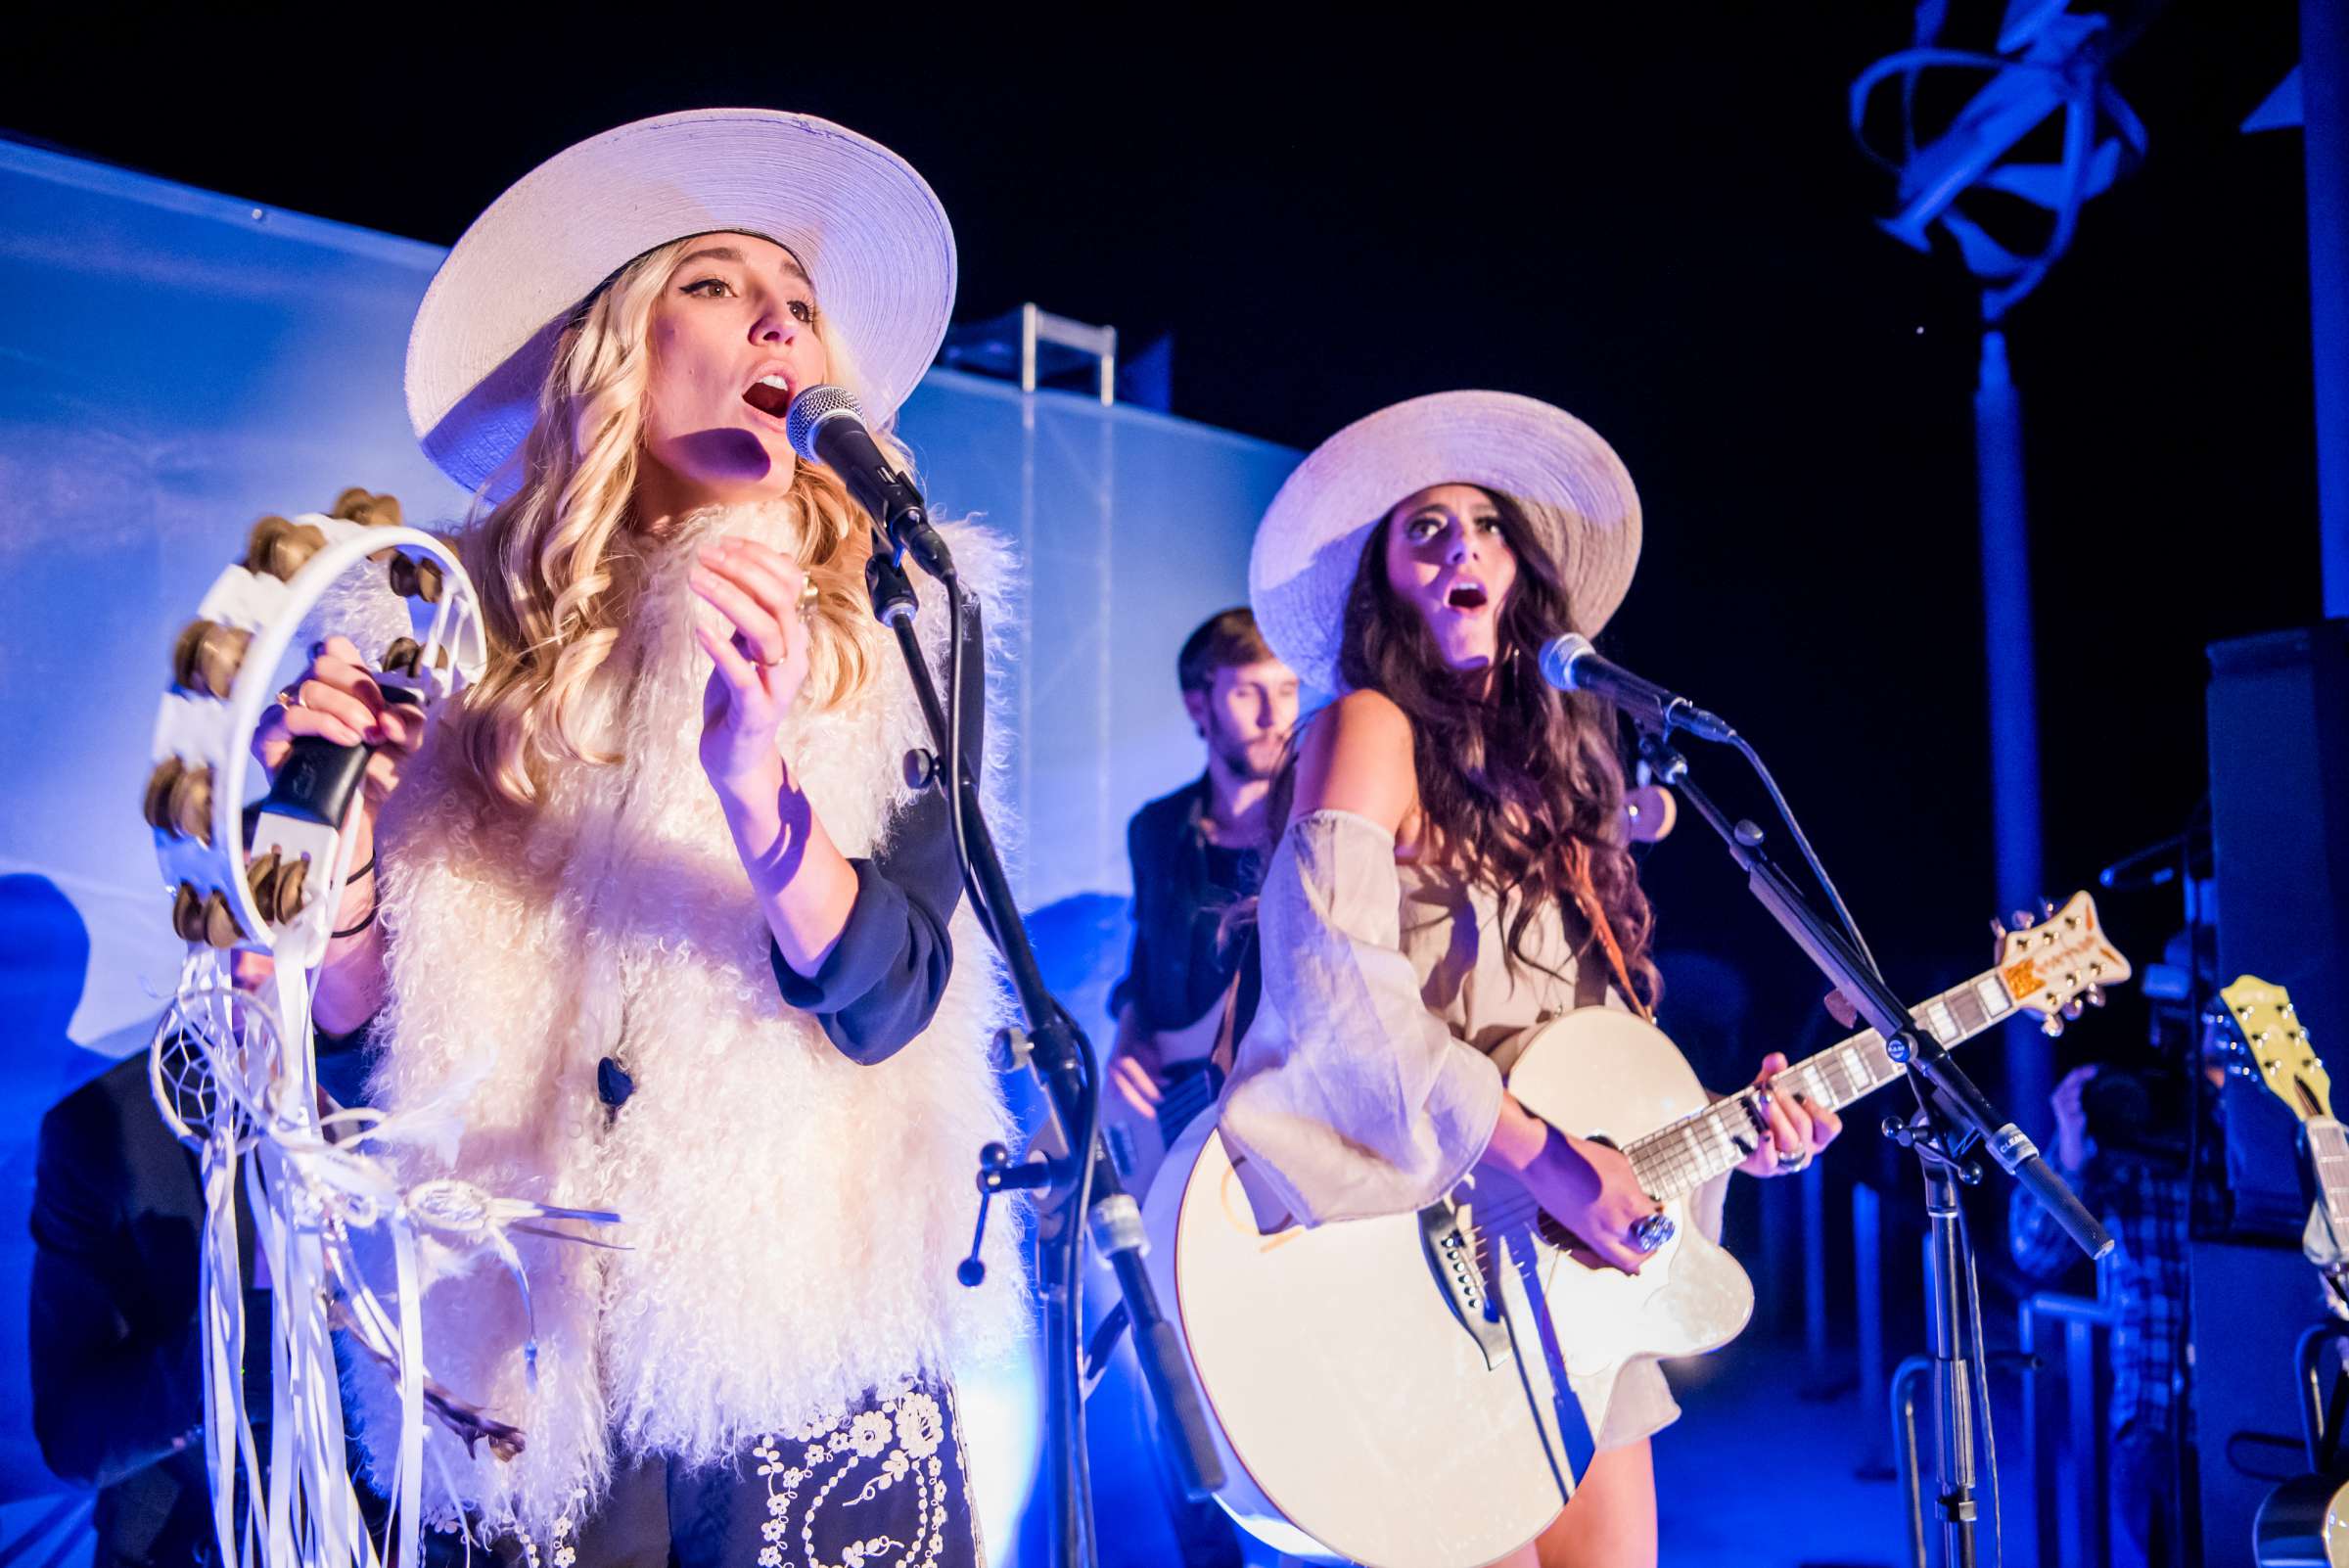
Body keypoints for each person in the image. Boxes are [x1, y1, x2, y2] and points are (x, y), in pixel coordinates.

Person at [253, 110, 1025, 1566]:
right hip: (520, 1367)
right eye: (720, 284)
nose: (778, 322)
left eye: (799, 302)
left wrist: (759, 801)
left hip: (795, 1355)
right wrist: (339, 826)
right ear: (620, 343)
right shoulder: (451, 624)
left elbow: (897, 991)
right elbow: (365, 1031)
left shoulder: (899, 613)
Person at [1220, 392, 1843, 1568]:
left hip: (1557, 1293)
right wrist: (1559, 1166)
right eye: (1427, 530)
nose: (1463, 546)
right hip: (1413, 1272)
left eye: (1487, 526)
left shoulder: (1562, 782)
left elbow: (1591, 1067)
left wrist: (1725, 1135)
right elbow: (1340, 1010)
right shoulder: (1361, 728)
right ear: (1384, 586)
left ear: (1523, 577)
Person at [1102, 608, 1298, 1167]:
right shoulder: (1157, 830)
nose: (1273, 716)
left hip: (1279, 1127)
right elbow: (1145, 961)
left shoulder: (1312, 827)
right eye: (1247, 693)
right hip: (1178, 1120)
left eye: (1287, 690)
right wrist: (1131, 1034)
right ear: (1198, 703)